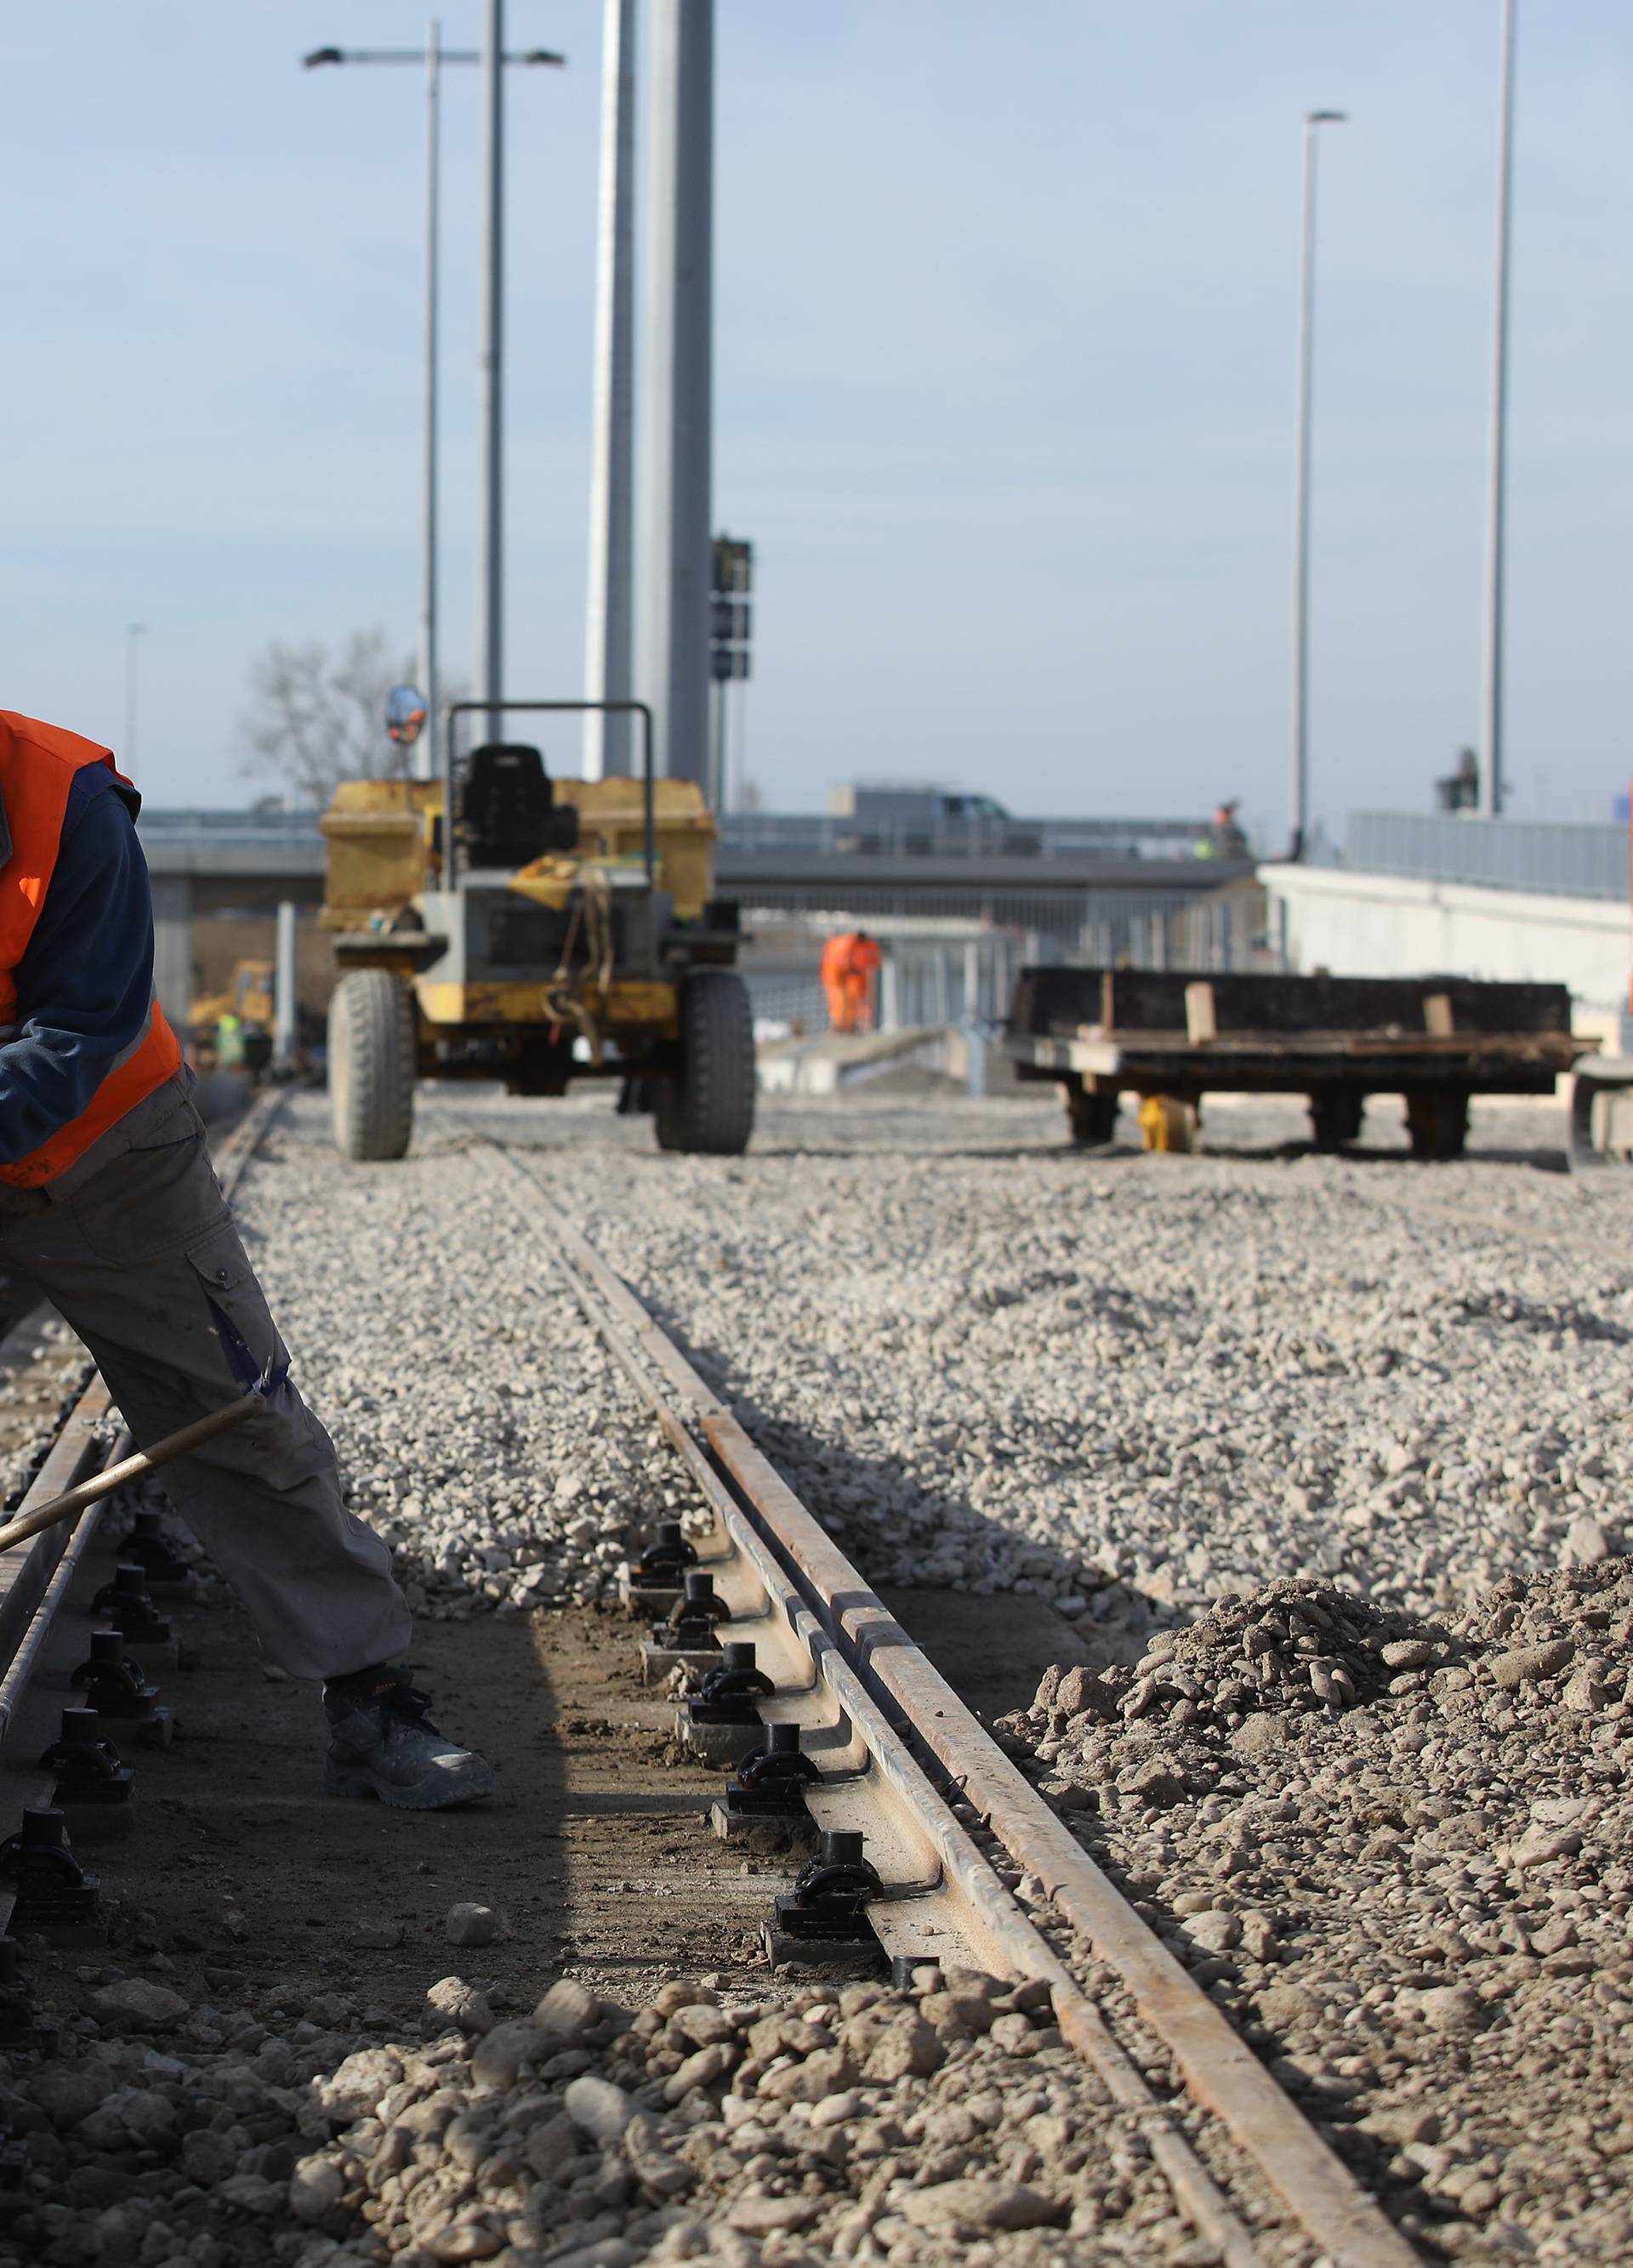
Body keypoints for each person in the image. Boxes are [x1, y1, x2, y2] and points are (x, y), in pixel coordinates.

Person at [0, 710, 492, 1809]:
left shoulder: (66, 803)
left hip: (109, 1154)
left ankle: (373, 1707)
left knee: (230, 1409)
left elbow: (78, 1032)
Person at [819, 929, 883, 1034]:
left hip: (847, 977)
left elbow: (846, 960)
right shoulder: (847, 943)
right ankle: (844, 1024)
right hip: (841, 976)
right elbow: (844, 960)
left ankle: (847, 1024)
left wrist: (852, 969)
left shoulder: (842, 944)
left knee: (847, 1000)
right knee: (843, 1000)